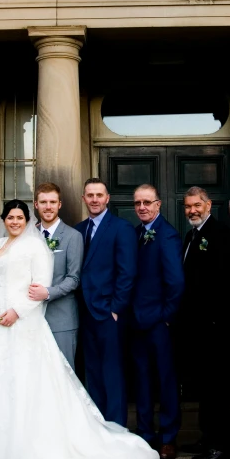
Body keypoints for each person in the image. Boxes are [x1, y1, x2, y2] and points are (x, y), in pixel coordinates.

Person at [0, 200, 159, 459]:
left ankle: (27, 449)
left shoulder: (35, 247)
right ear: (3, 220)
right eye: (10, 217)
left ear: (27, 220)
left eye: (20, 217)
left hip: (22, 322)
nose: (15, 222)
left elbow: (40, 286)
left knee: (26, 383)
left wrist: (16, 311)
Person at [179, 186, 230, 459]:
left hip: (217, 327)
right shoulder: (191, 235)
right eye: (188, 206)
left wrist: (214, 319)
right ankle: (207, 436)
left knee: (219, 388)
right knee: (205, 387)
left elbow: (224, 281)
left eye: (196, 205)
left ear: (208, 205)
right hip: (197, 327)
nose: (192, 210)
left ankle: (221, 444)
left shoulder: (222, 234)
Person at [75, 178, 138, 427]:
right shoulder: (78, 230)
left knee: (113, 374)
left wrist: (116, 308)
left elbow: (128, 272)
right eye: (90, 195)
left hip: (109, 314)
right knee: (92, 373)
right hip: (84, 313)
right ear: (83, 199)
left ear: (107, 198)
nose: (94, 199)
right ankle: (97, 428)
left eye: (99, 195)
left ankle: (116, 428)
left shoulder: (121, 228)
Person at [131, 184, 184, 459]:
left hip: (159, 324)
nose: (142, 207)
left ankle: (167, 437)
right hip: (136, 323)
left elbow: (176, 282)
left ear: (158, 204)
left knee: (165, 381)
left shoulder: (167, 235)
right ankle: (144, 434)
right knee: (141, 381)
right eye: (138, 203)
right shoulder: (136, 234)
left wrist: (166, 317)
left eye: (147, 202)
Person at [28, 182, 84, 369]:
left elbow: (74, 278)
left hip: (62, 319)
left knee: (62, 375)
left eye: (53, 202)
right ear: (36, 205)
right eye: (43, 202)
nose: (48, 206)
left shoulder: (72, 236)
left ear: (60, 204)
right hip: (30, 318)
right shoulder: (28, 237)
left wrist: (48, 293)